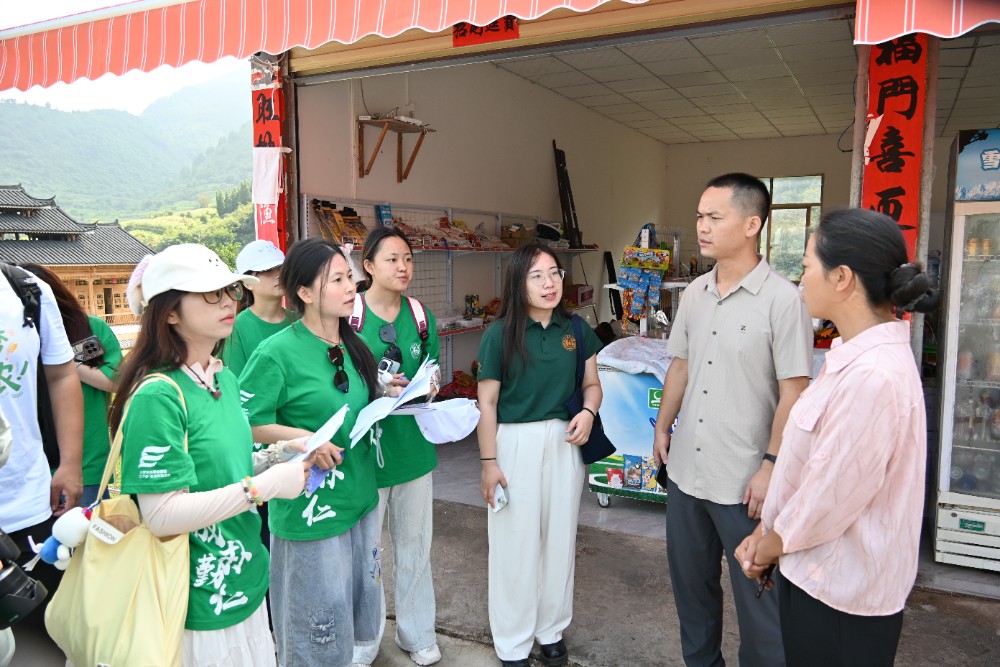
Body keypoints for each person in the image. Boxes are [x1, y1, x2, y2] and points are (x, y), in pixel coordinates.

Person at [735, 209, 937, 667]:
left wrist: (765, 548)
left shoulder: (873, 376)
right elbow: (811, 471)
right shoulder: (851, 355)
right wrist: (767, 532)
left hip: (842, 596)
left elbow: (830, 496)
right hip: (813, 571)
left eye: (806, 266)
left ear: (842, 277)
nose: (800, 278)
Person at [111, 243, 309, 666]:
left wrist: (276, 455)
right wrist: (262, 487)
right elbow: (162, 514)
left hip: (247, 575)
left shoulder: (224, 378)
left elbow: (221, 470)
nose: (226, 303)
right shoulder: (159, 395)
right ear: (168, 312)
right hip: (197, 595)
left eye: (230, 291)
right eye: (209, 294)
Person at [650, 173, 813, 667]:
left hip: (746, 484)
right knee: (692, 599)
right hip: (686, 475)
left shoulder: (784, 300)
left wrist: (770, 464)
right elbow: (679, 364)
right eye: (700, 216)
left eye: (714, 217)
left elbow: (795, 392)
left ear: (751, 224)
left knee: (761, 611)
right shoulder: (695, 293)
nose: (702, 226)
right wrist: (662, 426)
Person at [240, 237, 383, 667]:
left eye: (349, 276)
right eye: (336, 279)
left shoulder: (351, 343)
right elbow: (246, 421)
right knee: (313, 628)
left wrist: (386, 390)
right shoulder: (276, 352)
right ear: (303, 293)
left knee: (350, 613)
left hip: (358, 497)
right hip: (309, 510)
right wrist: (305, 439)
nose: (350, 286)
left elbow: (350, 402)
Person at [476, 243, 603, 667]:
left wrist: (588, 411)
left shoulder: (577, 329)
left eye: (554, 273)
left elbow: (592, 385)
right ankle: (512, 641)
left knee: (559, 539)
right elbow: (488, 403)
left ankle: (551, 630)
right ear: (518, 281)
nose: (549, 283)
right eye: (537, 275)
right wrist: (489, 463)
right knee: (514, 542)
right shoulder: (500, 334)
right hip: (513, 444)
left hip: (564, 442)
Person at [352, 227, 442, 666]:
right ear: (368, 266)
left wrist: (429, 386)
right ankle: (366, 638)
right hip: (364, 455)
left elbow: (433, 369)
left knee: (414, 547)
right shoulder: (347, 316)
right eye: (391, 259)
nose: (403, 266)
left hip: (413, 451)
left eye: (407, 258)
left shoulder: (421, 316)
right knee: (366, 554)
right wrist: (373, 386)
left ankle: (418, 632)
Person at [0, 261, 83, 629]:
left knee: (42, 638)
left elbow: (62, 373)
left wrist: (70, 463)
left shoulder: (24, 289)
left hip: (27, 503)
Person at [19, 263, 123, 508]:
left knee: (82, 540)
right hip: (29, 465)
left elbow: (114, 380)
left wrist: (63, 363)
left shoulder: (89, 329)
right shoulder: (16, 338)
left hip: (85, 464)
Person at [223, 239, 298, 378]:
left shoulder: (300, 321)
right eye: (268, 270)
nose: (278, 275)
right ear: (247, 283)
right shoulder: (236, 327)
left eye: (281, 267)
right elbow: (236, 383)